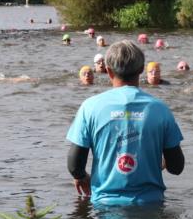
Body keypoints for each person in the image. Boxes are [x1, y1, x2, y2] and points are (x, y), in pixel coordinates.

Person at [66, 41, 185, 205]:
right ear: (142, 69)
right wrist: (159, 163)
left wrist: (81, 177)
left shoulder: (90, 107)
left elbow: (74, 165)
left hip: (104, 204)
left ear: (108, 71)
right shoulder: (160, 109)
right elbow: (176, 167)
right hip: (151, 205)